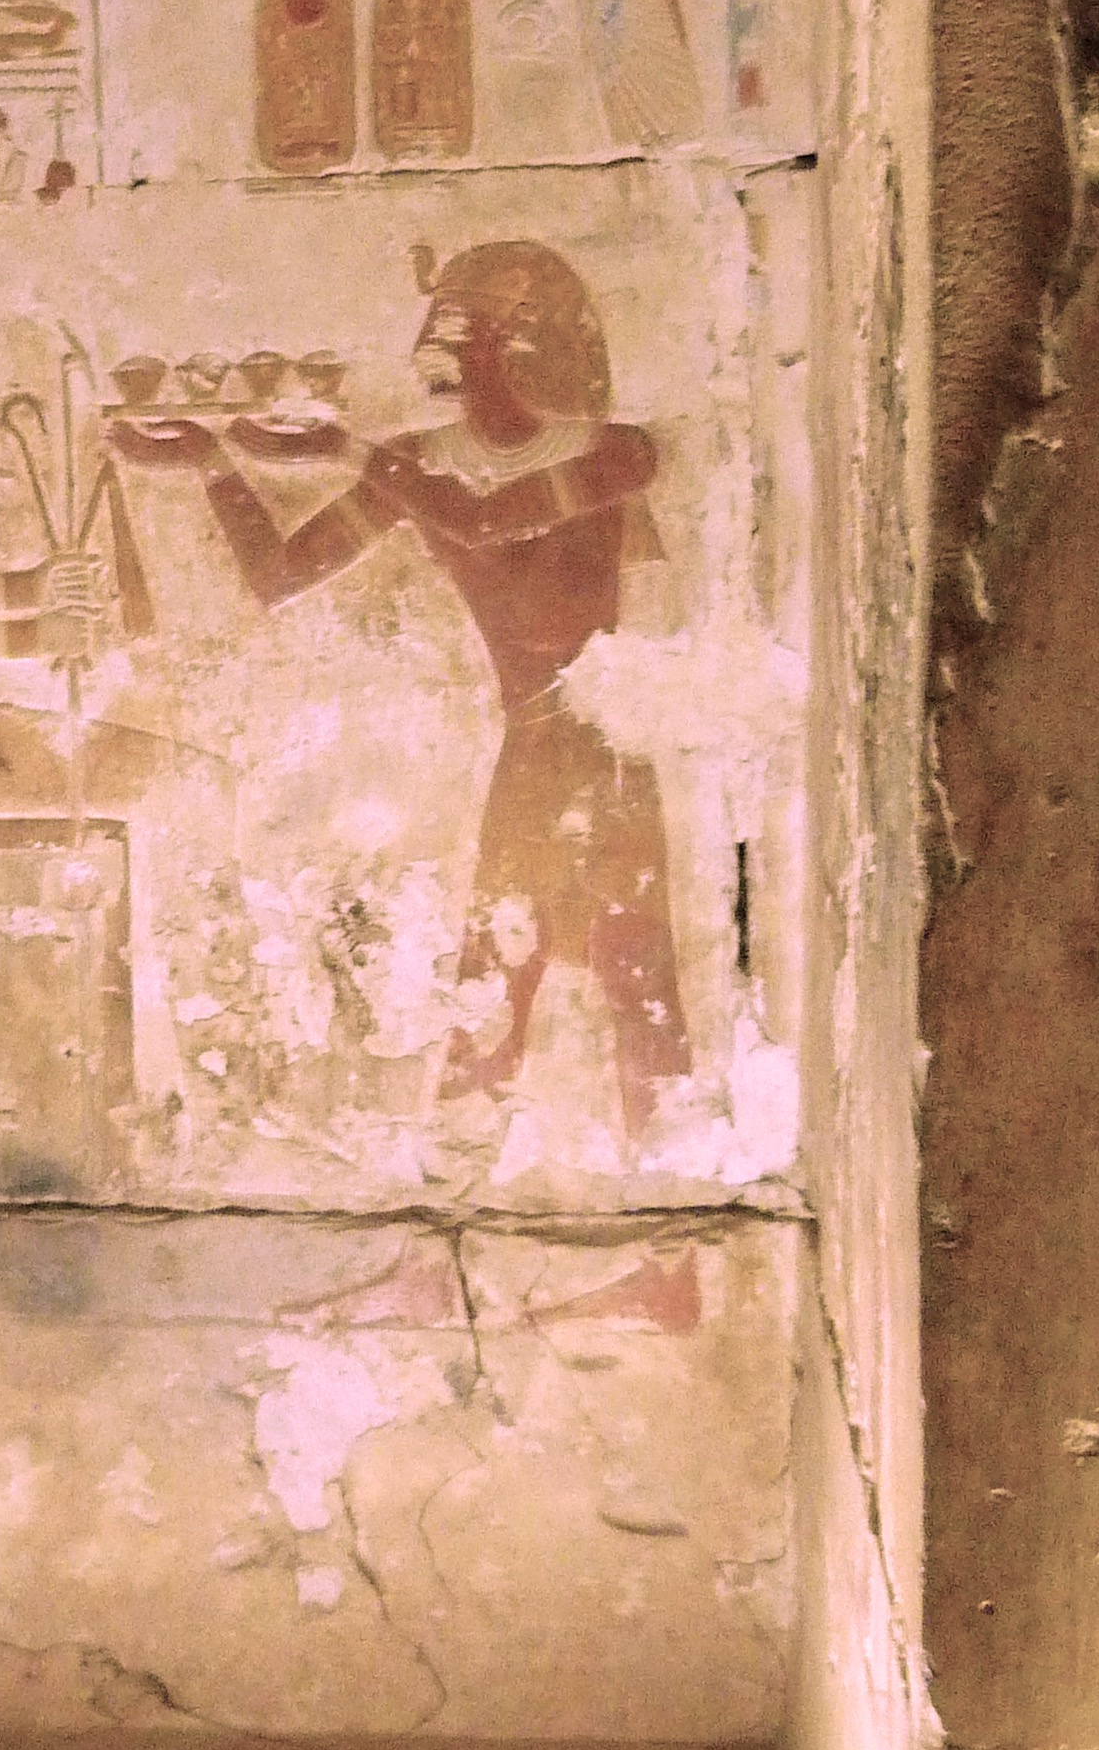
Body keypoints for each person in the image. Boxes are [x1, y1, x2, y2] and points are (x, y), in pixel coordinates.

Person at [111, 238, 689, 1131]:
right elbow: (278, 574)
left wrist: (348, 449)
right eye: (449, 323)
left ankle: (664, 1169)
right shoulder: (417, 463)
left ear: (531, 338)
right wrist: (218, 462)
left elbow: (487, 521)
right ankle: (474, 1167)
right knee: (489, 1003)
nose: (450, 345)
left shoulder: (615, 452)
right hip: (525, 752)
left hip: (605, 755)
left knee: (636, 987)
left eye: (474, 325)